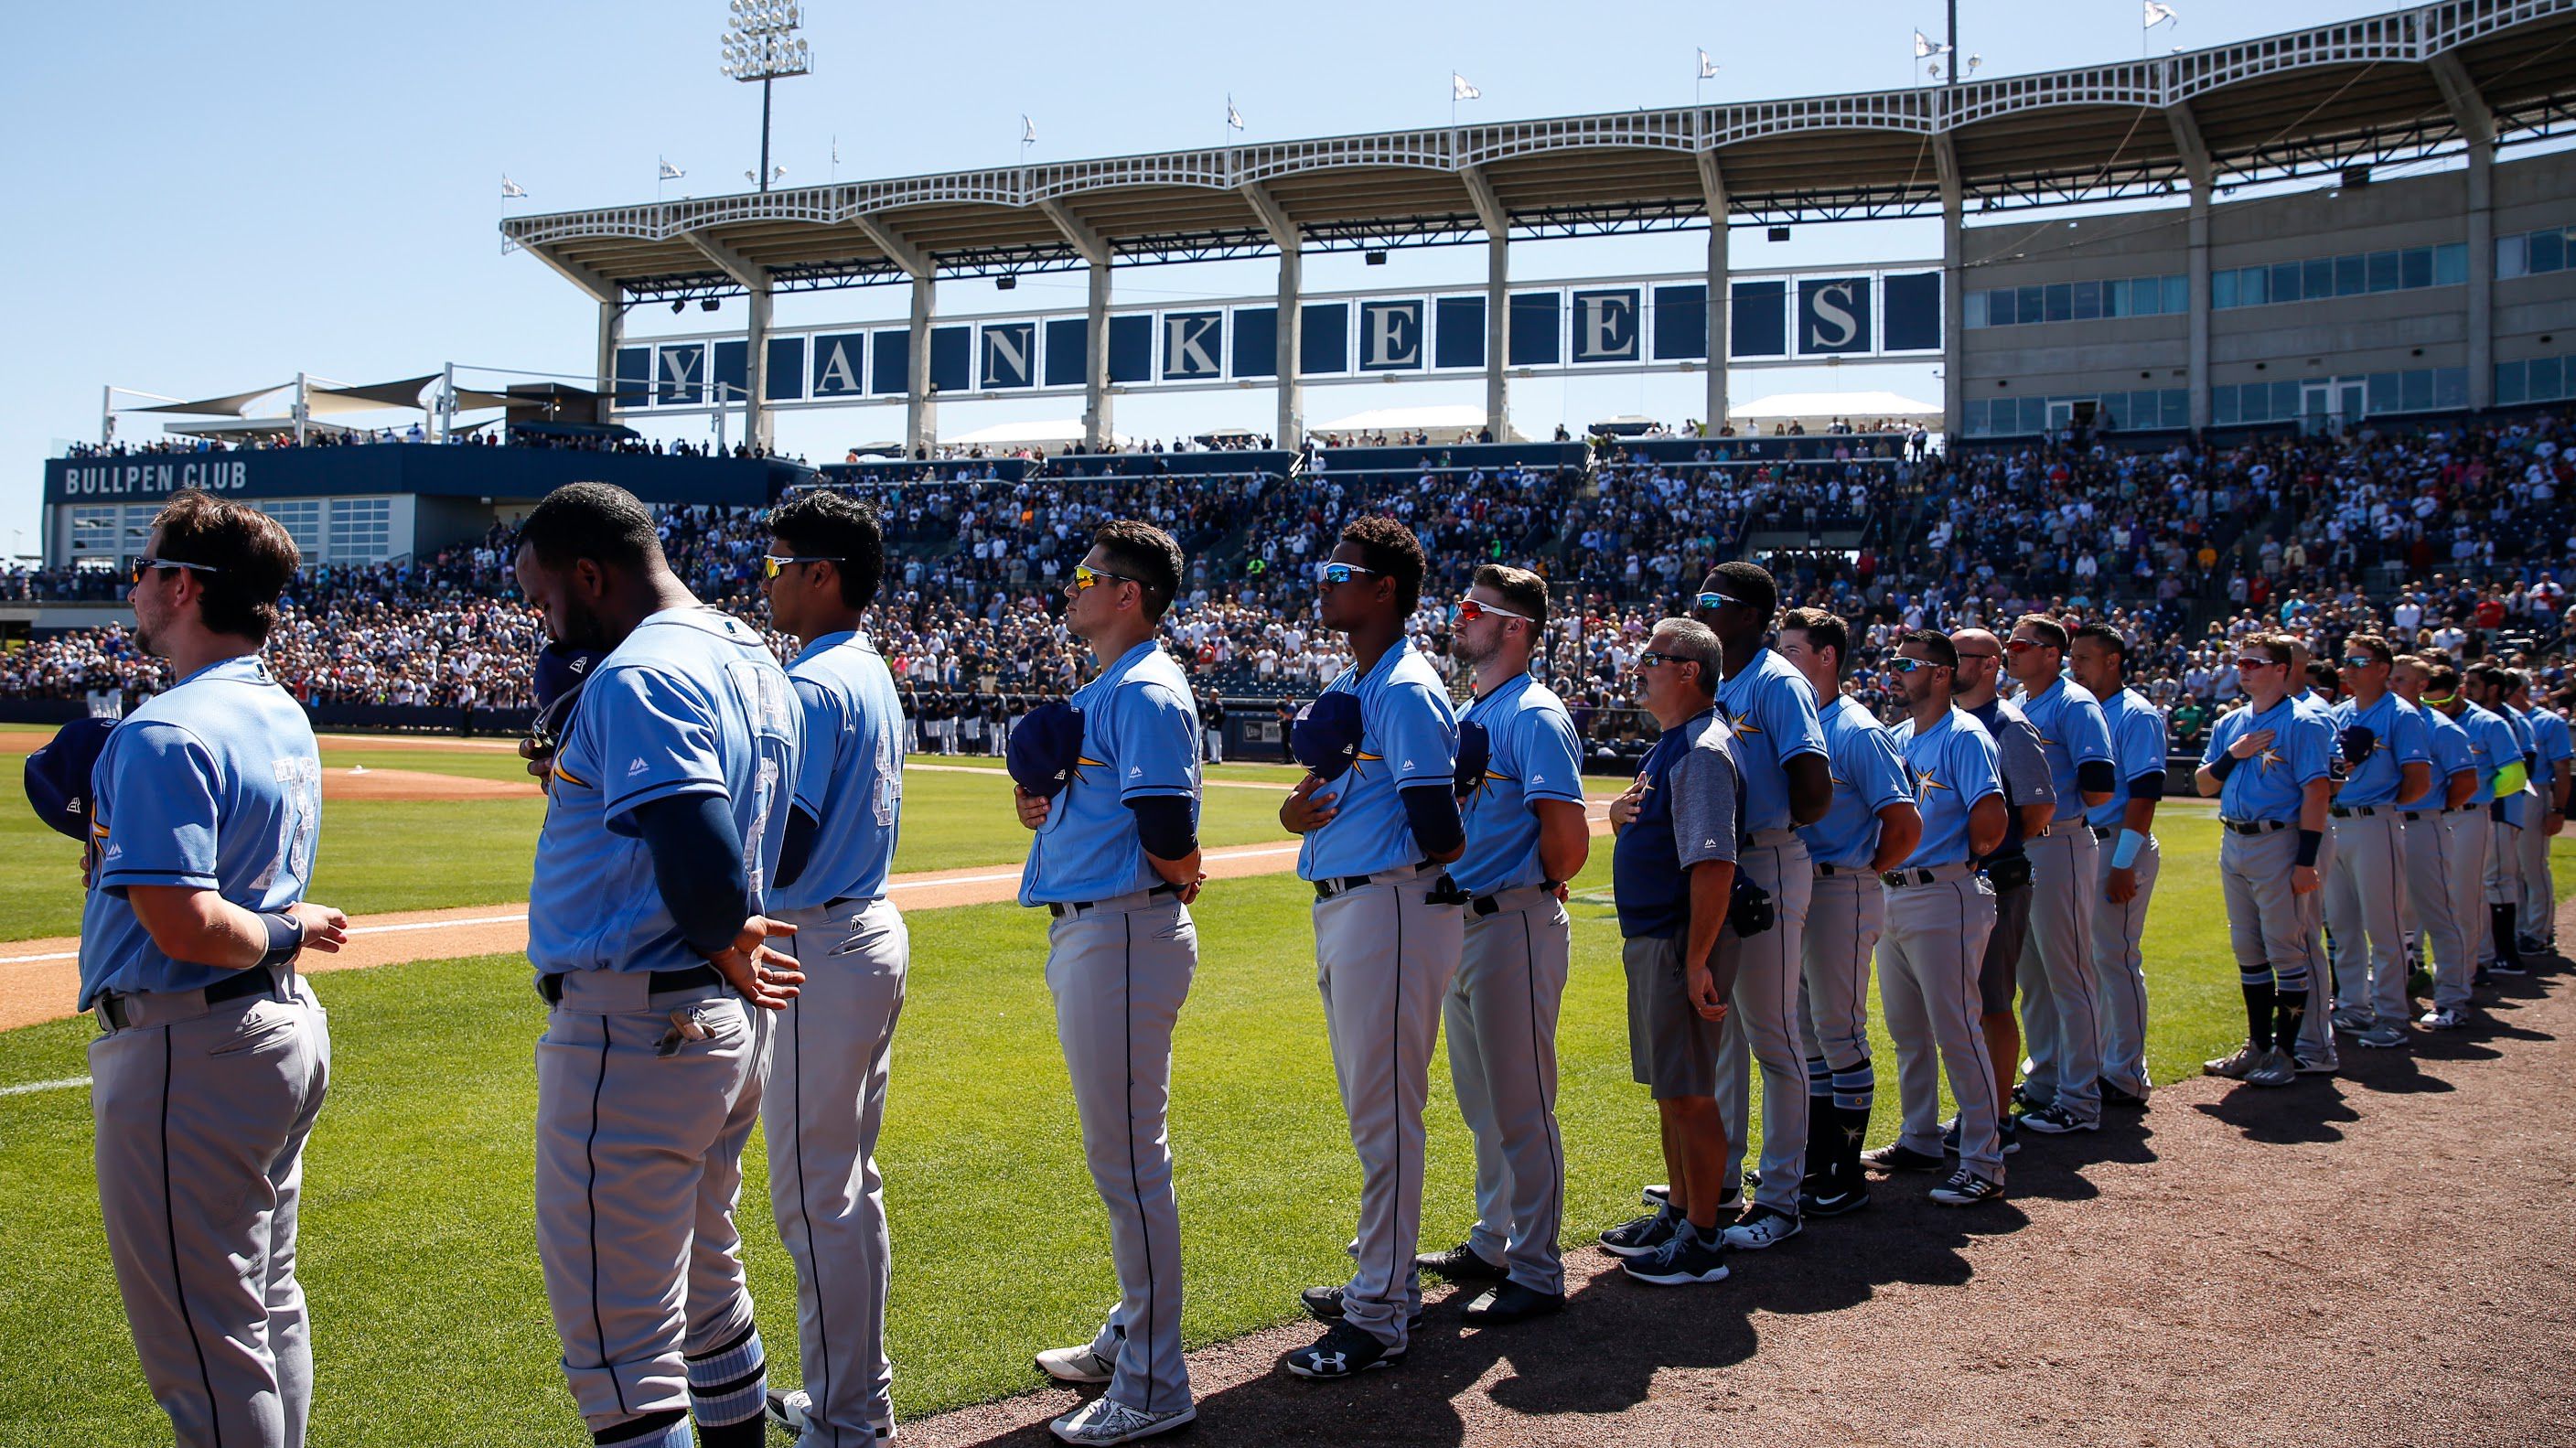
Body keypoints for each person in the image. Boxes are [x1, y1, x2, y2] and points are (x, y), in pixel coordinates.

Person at [515, 481, 804, 1448]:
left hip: (639, 1025)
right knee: (707, 1290)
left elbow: (711, 872)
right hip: (717, 1025)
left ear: (590, 575)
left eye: (546, 599)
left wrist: (722, 929)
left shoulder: (640, 671)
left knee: (623, 1348)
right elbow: (781, 850)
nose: (544, 623)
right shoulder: (752, 654)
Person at [76, 491, 349, 1448]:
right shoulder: (276, 708)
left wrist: (282, 931)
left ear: (184, 586)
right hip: (273, 1032)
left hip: (191, 1039)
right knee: (264, 1304)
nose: (137, 584)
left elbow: (185, 922)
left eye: (147, 568)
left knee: (207, 1340)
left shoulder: (163, 728)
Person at [1013, 522, 1207, 1443]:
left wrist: (1181, 867)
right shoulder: (1110, 687)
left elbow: (1167, 824)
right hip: (1102, 926)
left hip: (1126, 927)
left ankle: (1156, 1383)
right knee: (1121, 1159)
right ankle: (1134, 1329)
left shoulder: (1146, 690)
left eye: (1088, 575)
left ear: (1128, 593)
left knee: (1130, 1164)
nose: (1073, 586)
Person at [1276, 517, 1464, 1379]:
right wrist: (1301, 815)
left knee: (1386, 1114)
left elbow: (1439, 826)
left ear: (1385, 587)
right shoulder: (1367, 676)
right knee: (1373, 1110)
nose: (1324, 583)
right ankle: (1382, 1278)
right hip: (1358, 905)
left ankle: (1381, 1307)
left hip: (1391, 906)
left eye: (1339, 571)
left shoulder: (1406, 685)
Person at [753, 493, 912, 1447]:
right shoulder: (865, 667)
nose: (768, 577)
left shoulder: (812, 684)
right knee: (848, 1187)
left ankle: (849, 1419)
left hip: (816, 941)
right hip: (861, 931)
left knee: (816, 1198)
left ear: (823, 573)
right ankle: (858, 1393)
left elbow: (790, 839)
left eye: (779, 561)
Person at [1418, 564, 1589, 1322]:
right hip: (1461, 920)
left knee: (1523, 1104)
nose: (1458, 618)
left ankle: (1538, 1265)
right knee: (1483, 1104)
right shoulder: (1469, 707)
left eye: (1472, 609)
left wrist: (1528, 892)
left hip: (1513, 917)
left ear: (1514, 627)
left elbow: (1569, 843)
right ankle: (1493, 1239)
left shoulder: (1537, 714)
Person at [1690, 563, 1830, 1251]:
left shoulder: (1777, 681)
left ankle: (1782, 1195)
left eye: (1711, 601)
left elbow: (1813, 786)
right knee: (1725, 1034)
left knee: (1775, 1034)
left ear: (1748, 615)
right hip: (1725, 861)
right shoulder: (1717, 682)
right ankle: (1719, 1179)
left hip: (1768, 856)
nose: (1699, 609)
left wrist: (1766, 828)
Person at [1600, 617, 1744, 1282]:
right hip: (1656, 936)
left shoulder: (1703, 749)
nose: (1641, 666)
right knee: (1670, 1088)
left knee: (1689, 1091)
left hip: (1679, 939)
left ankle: (1704, 1238)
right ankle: (1682, 1209)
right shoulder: (1672, 746)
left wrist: (1695, 962)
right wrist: (1616, 817)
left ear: (1689, 670)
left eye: (1655, 657)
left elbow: (1714, 866)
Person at [1859, 630, 2012, 1206]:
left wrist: (1958, 860)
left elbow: (1992, 823)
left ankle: (1984, 1158)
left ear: (1941, 674)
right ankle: (1920, 1136)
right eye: (1893, 662)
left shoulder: (1965, 735)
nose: (1894, 672)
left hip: (1943, 889)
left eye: (1907, 664)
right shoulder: (1897, 735)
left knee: (1957, 1029)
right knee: (1906, 1031)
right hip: (1895, 891)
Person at [1776, 608, 1919, 1217]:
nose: (1781, 659)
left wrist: (1861, 869)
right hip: (1803, 885)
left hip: (1841, 885)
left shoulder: (1857, 728)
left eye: (1793, 648)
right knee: (1807, 1030)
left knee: (1839, 1028)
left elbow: (1904, 823)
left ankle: (1846, 1169)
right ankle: (1817, 1160)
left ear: (1827, 656)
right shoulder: (1796, 720)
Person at [2197, 632, 2334, 1089]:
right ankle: (2257, 1046)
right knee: (2248, 950)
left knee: (2285, 948)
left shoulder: (2304, 722)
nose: (2245, 669)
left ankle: (2288, 1053)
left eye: (2255, 662)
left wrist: (2305, 860)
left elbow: (2317, 791)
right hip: (2234, 838)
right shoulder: (2230, 724)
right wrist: (2233, 757)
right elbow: (2202, 784)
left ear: (2282, 670)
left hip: (2280, 839)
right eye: (2241, 662)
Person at [2001, 614, 2116, 1137]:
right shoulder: (2021, 704)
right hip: (2026, 848)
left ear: (2053, 653)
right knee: (2032, 976)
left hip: (2063, 840)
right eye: (2010, 643)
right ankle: (2045, 1080)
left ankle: (2081, 1096)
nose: (2013, 652)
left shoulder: (2075, 702)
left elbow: (2100, 787)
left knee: (2069, 973)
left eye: (2023, 644)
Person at [1947, 628, 2053, 1160]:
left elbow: (2037, 812)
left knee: (1992, 1002)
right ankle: (1975, 1108)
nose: (1948, 663)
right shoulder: (1945, 722)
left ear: (1990, 666)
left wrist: (1992, 849)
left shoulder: (2008, 725)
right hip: (1954, 881)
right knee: (1958, 1006)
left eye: (1960, 656)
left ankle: (1999, 1116)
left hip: (1997, 879)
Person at [2066, 623, 2169, 1105]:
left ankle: (2126, 1071)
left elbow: (2145, 794)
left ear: (2113, 661)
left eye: (2084, 657)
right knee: (2084, 962)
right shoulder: (2081, 708)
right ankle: (2094, 1062)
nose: (2075, 665)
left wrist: (2124, 863)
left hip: (2115, 844)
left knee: (2116, 959)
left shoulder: (2135, 714)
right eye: (2073, 656)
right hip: (2081, 843)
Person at [2321, 636, 2431, 1050]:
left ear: (2383, 669)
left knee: (2382, 925)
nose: (2348, 668)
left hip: (2374, 822)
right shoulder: (2338, 713)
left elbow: (2419, 782)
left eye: (2359, 661)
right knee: (2342, 925)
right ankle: (2352, 1004)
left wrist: (2380, 807)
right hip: (2335, 822)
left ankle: (2391, 1014)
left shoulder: (2402, 714)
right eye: (2346, 661)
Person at [2389, 655, 2481, 1029]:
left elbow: (2466, 784)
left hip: (2424, 825)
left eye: (2401, 679)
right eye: (2391, 678)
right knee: (2390, 919)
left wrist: (2432, 811)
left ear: (2421, 685)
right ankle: (2392, 992)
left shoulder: (2440, 727)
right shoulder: (2386, 720)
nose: (2392, 684)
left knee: (2440, 914)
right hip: (2385, 825)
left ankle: (2452, 1000)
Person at [2458, 666, 2531, 978]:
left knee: (2498, 881)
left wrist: (2487, 793)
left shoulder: (2506, 719)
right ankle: (2488, 953)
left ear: (2493, 688)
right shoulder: (2468, 716)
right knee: (2482, 885)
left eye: (2474, 684)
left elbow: (2524, 766)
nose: (2467, 688)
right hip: (2489, 809)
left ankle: (2506, 953)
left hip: (2500, 808)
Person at [2505, 671, 2570, 954]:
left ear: (2520, 690)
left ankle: (2539, 931)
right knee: (2510, 869)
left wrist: (2558, 809)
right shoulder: (2502, 720)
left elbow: (2562, 769)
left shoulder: (2548, 721)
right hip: (2508, 795)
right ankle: (2519, 929)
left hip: (2537, 792)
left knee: (2533, 866)